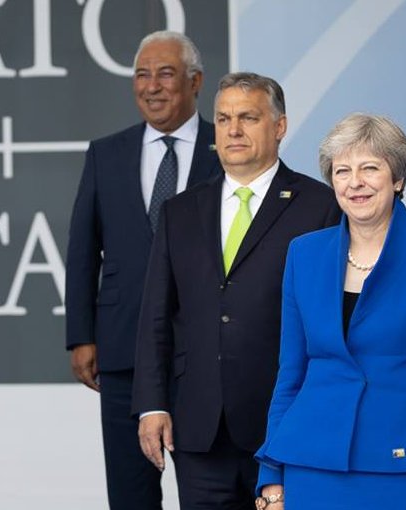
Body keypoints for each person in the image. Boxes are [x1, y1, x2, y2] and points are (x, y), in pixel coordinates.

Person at [132, 72, 340, 509]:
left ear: (279, 127)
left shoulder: (321, 207)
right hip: (198, 427)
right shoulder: (180, 211)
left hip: (286, 425)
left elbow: (331, 322)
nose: (234, 130)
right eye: (224, 118)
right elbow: (155, 316)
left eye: (248, 117)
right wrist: (152, 404)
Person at [254, 113, 406, 509]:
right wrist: (271, 473)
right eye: (342, 170)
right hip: (311, 465)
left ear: (398, 179)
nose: (355, 182)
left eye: (370, 168)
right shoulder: (304, 254)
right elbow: (291, 373)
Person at [65, 30, 221, 508]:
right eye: (141, 74)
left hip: (206, 353)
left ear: (196, 82)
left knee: (209, 490)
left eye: (166, 74)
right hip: (123, 349)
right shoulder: (105, 153)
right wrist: (81, 335)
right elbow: (82, 249)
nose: (152, 86)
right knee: (130, 493)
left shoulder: (228, 150)